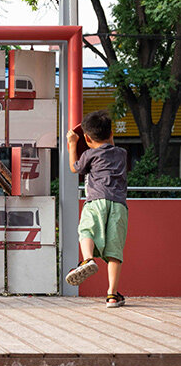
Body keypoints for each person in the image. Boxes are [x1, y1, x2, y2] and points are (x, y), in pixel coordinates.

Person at [65, 110, 128, 308]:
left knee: (86, 230)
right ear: (111, 134)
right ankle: (111, 295)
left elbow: (75, 168)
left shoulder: (89, 155)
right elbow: (111, 148)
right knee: (114, 250)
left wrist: (73, 144)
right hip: (118, 204)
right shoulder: (122, 154)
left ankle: (88, 259)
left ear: (87, 138)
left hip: (96, 201)